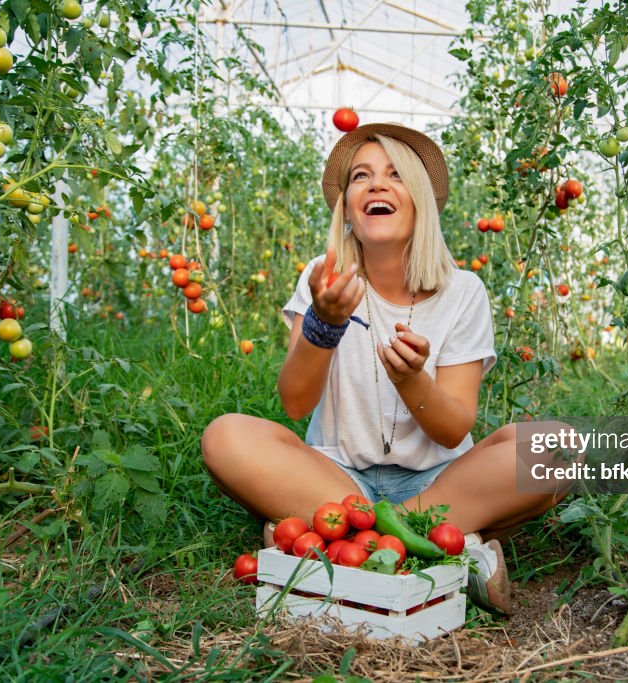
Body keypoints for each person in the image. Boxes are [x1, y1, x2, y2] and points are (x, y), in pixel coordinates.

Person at [201, 123, 563, 614]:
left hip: (437, 482)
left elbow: (454, 425)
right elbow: (296, 402)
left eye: (395, 175)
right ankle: (453, 549)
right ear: (348, 206)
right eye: (361, 176)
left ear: (419, 200)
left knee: (556, 448)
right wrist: (323, 324)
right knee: (226, 436)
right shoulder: (324, 278)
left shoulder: (462, 292)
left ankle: (330, 539)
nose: (375, 184)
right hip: (332, 475)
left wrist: (411, 380)